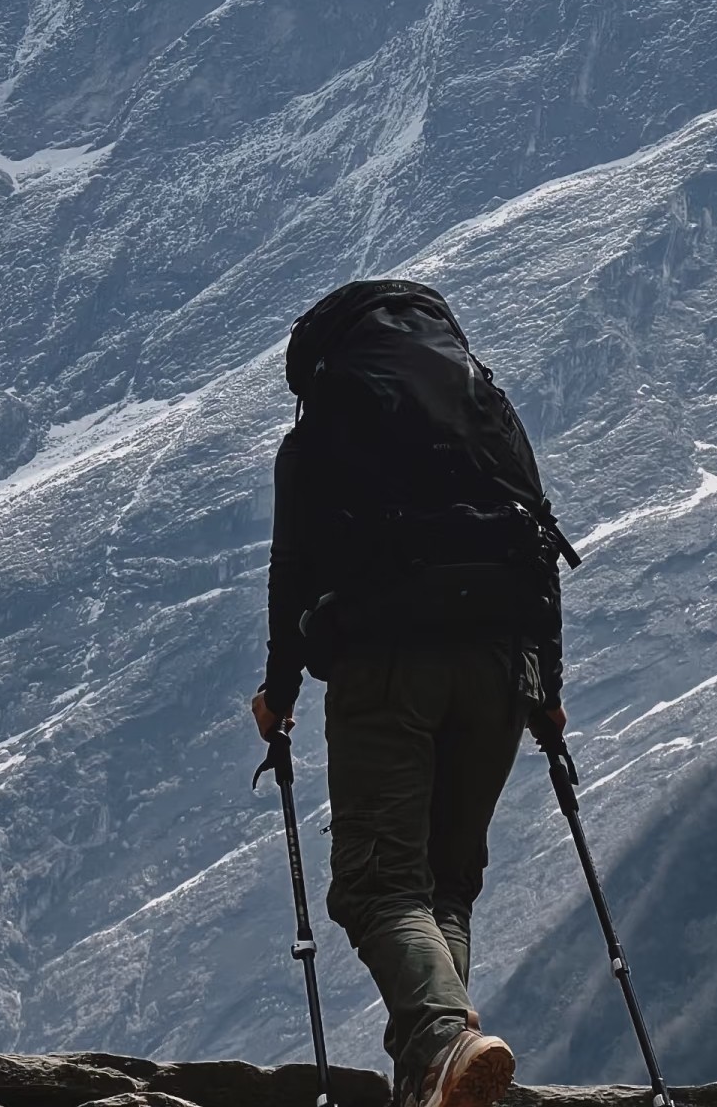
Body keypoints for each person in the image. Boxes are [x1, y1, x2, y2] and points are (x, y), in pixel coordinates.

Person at [251, 279, 573, 1107]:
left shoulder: (324, 427)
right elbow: (540, 535)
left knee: (377, 884)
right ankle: (433, 1082)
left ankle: (439, 1041)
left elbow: (291, 575)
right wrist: (547, 692)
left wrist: (279, 691)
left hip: (390, 666)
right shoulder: (485, 411)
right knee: (443, 885)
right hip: (503, 667)